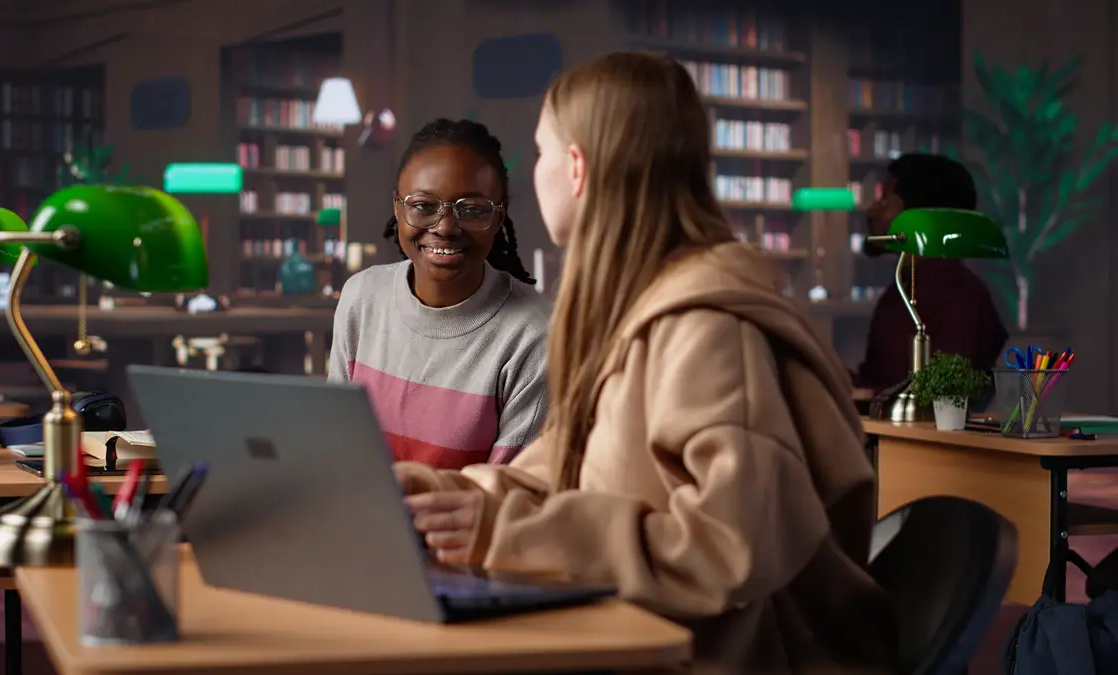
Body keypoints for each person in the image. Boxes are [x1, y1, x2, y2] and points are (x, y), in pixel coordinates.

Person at [393, 53, 895, 673]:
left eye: (542, 152)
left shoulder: (707, 327)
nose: (537, 173)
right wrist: (424, 495)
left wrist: (507, 530)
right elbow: (557, 470)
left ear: (576, 168)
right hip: (627, 635)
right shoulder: (638, 307)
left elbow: (728, 549)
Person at [328, 119, 550, 469]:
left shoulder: (536, 335)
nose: (445, 227)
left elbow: (505, 498)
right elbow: (335, 447)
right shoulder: (361, 298)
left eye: (472, 209)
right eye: (423, 206)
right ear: (398, 208)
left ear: (498, 216)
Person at [853, 153, 1009, 394]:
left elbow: (946, 397)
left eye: (885, 202)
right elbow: (875, 379)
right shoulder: (903, 289)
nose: (872, 210)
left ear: (919, 218)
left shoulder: (960, 297)